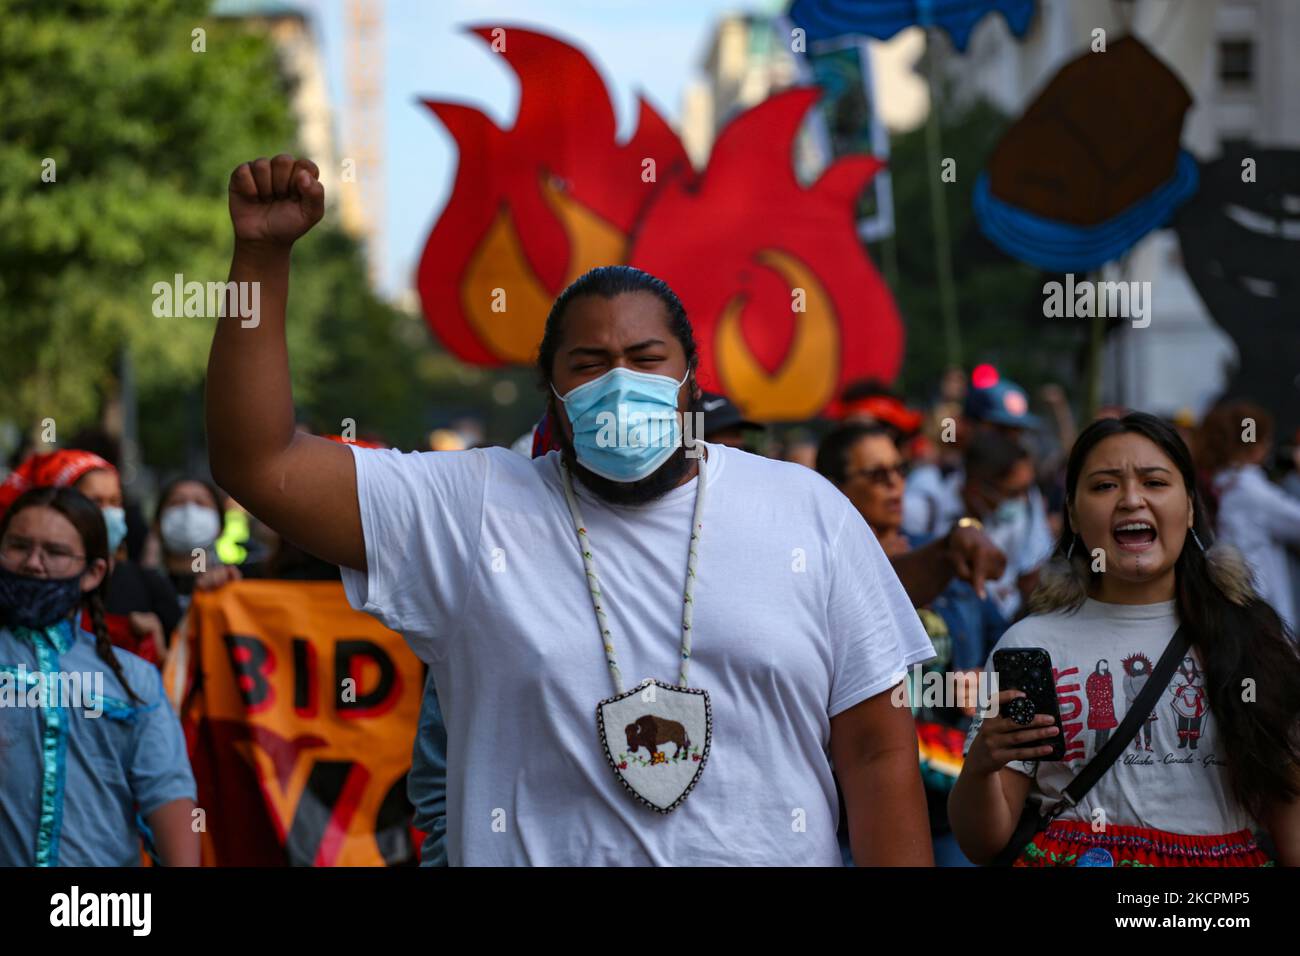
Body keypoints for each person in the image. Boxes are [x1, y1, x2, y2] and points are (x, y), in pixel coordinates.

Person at [206, 155, 936, 866]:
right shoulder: (469, 511)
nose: (619, 381)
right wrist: (262, 261)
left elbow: (876, 750)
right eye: (587, 364)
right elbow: (260, 463)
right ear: (550, 389)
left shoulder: (807, 513)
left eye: (647, 359)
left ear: (690, 378)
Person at [949, 412, 1300, 866]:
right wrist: (980, 767)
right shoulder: (1031, 645)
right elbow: (983, 843)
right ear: (1073, 514)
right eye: (1104, 486)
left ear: (1190, 506)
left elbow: (1290, 809)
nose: (1132, 500)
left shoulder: (1254, 637)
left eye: (1155, 482)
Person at [817, 423, 1009, 866]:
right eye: (876, 474)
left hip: (949, 793)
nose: (895, 484)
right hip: (853, 804)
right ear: (834, 488)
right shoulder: (821, 568)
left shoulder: (950, 556)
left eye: (900, 470)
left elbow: (1008, 645)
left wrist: (986, 685)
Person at [0, 486, 199, 866]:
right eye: (18, 546)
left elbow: (167, 795)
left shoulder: (134, 681)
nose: (33, 563)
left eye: (55, 552)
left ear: (93, 573)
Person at [0, 450, 181, 663]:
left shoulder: (150, 585)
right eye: (95, 501)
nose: (109, 513)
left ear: (94, 574)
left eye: (115, 501)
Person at [1198, 401, 1300, 632]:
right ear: (1257, 445)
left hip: (1233, 600)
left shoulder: (1219, 481)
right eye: (1265, 440)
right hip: (1263, 608)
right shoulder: (1251, 489)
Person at [148, 476, 241, 613]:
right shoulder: (139, 587)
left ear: (220, 528)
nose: (189, 512)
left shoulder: (232, 583)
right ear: (157, 524)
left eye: (201, 503)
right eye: (177, 502)